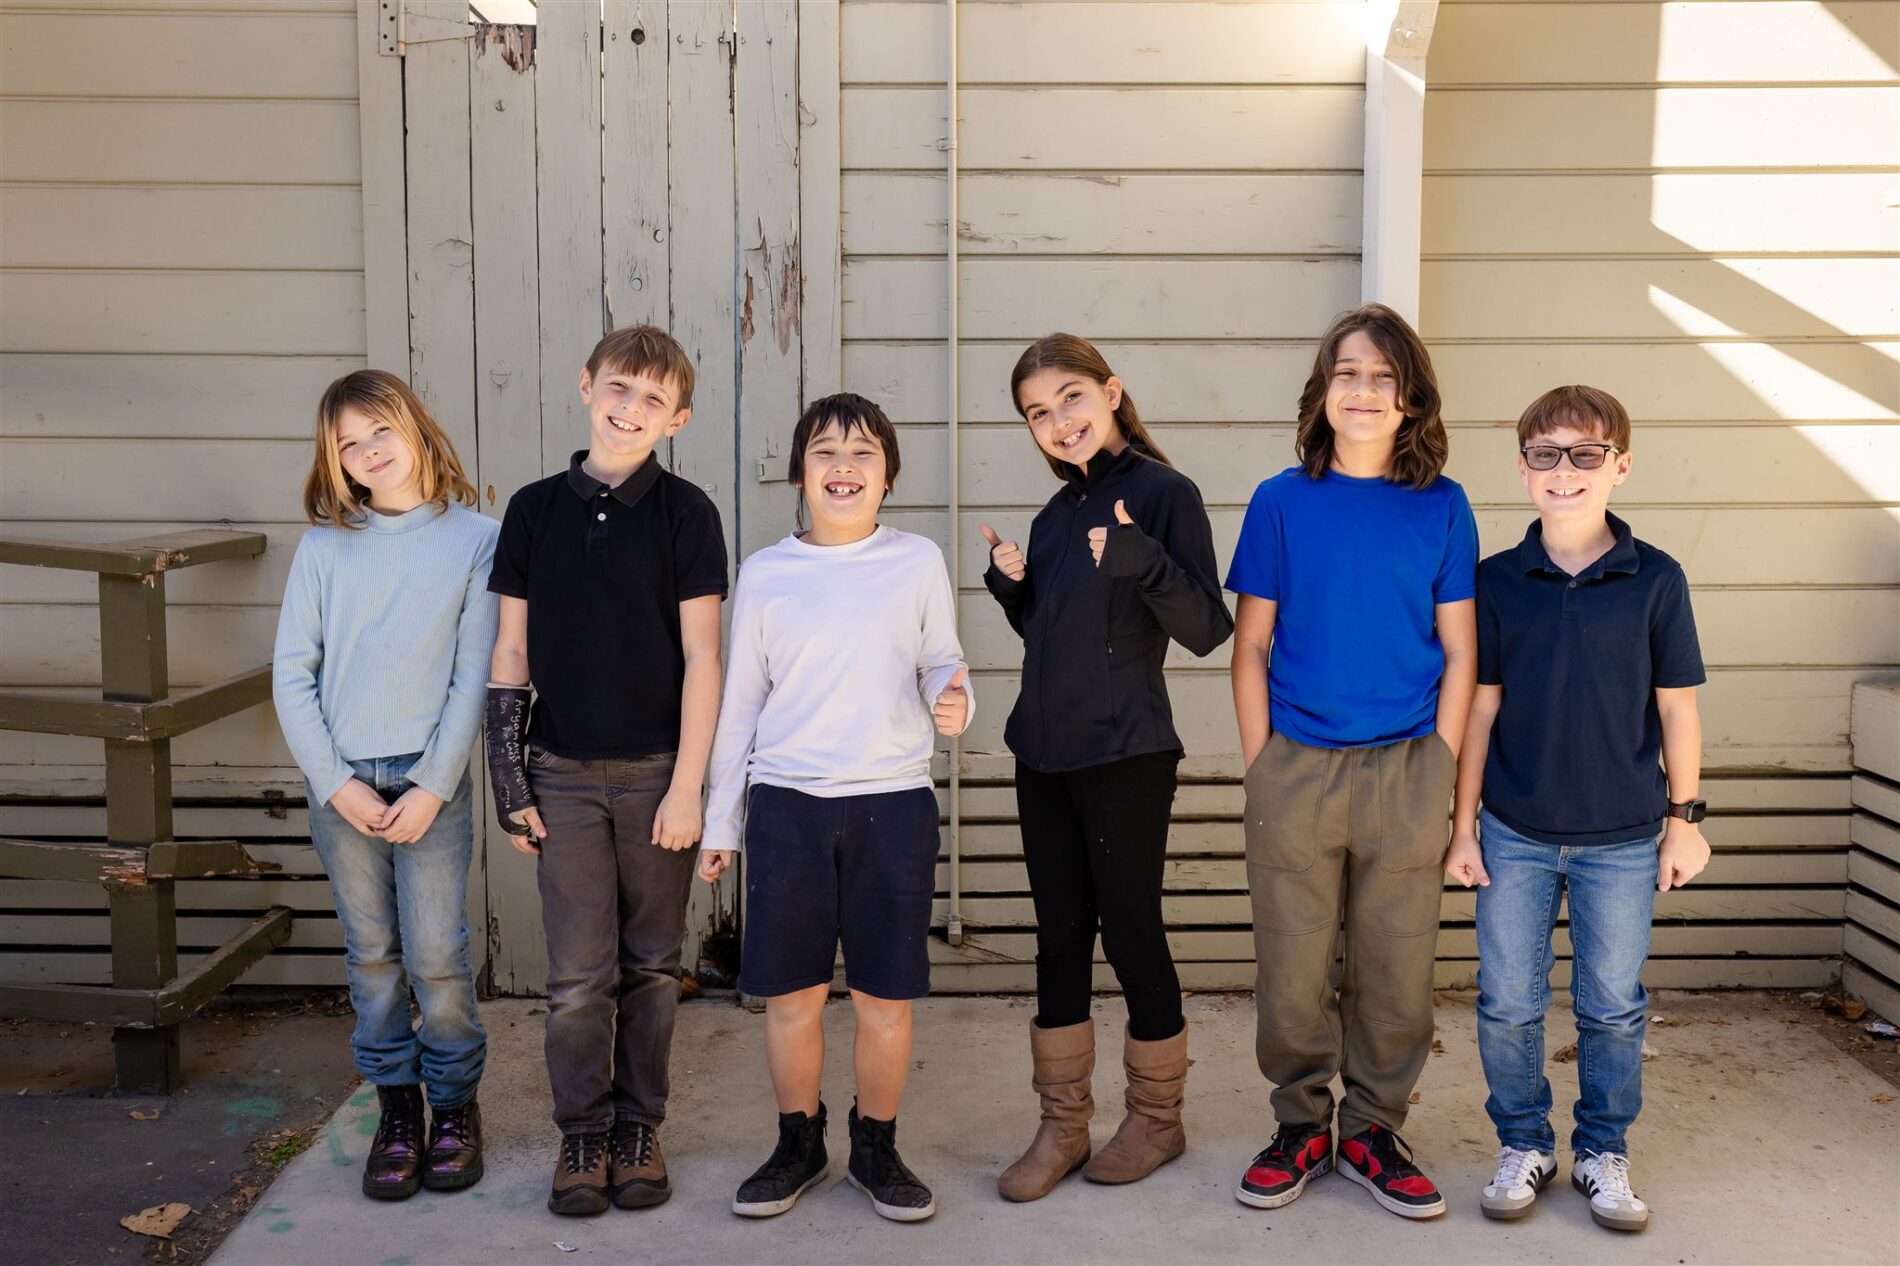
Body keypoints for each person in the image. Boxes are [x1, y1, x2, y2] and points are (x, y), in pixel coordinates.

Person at [1227, 303, 1477, 1219]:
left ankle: (1373, 1127)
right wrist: (1262, 764)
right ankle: (1300, 1126)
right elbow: (1249, 645)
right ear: (1322, 393)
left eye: (1382, 376)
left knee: (1397, 966)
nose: (1364, 390)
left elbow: (1461, 650)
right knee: (1292, 965)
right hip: (1296, 765)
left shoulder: (1442, 507)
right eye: (1347, 374)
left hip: (1409, 766)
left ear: (1409, 400)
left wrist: (1443, 760)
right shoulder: (1281, 501)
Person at [702, 393, 971, 1223]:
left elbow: (942, 661)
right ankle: (798, 1139)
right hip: (788, 805)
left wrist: (955, 697)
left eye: (863, 453)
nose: (844, 466)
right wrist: (722, 822)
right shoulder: (767, 572)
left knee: (886, 996)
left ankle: (877, 1144)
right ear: (799, 475)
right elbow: (740, 703)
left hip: (892, 802)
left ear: (888, 476)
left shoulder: (917, 560)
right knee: (793, 994)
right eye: (825, 452)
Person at [1445, 385, 1708, 1232]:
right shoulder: (1495, 581)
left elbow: (1677, 708)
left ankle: (1602, 1148)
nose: (1566, 472)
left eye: (1586, 455)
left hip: (1625, 838)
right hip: (1513, 833)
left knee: (1611, 1004)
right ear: (1523, 468)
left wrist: (1685, 819)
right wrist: (1462, 828)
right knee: (1508, 1002)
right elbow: (1479, 709)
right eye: (1546, 454)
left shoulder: (1655, 579)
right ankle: (1525, 1141)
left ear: (1620, 467)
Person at [980, 333, 1233, 1202]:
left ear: (1112, 393)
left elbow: (1207, 626)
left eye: (1071, 400)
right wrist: (1016, 591)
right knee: (1058, 938)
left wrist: (1142, 558)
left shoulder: (1164, 495)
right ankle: (1061, 1128)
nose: (1058, 422)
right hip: (1042, 753)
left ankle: (1157, 1122)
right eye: (1037, 414)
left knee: (1129, 930)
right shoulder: (1054, 519)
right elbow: (1057, 641)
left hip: (1128, 752)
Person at [483, 325, 728, 1215]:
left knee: (653, 965)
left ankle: (639, 1124)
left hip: (658, 770)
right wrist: (511, 782)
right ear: (588, 386)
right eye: (619, 389)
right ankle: (582, 1133)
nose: (631, 410)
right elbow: (510, 651)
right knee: (579, 973)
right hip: (563, 774)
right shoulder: (534, 509)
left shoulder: (687, 513)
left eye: (654, 401)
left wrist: (689, 784)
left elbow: (705, 658)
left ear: (678, 418)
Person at [272, 369, 498, 1201]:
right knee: (373, 957)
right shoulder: (326, 548)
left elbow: (474, 674)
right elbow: (292, 675)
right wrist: (337, 786)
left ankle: (454, 1108)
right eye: (348, 444)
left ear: (415, 428)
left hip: (427, 782)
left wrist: (434, 785)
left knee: (437, 958)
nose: (369, 452)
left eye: (380, 432)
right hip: (343, 789)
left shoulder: (479, 538)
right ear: (334, 462)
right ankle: (397, 1111)